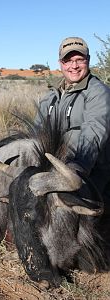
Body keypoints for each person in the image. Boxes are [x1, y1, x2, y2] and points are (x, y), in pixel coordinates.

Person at [35, 36, 110, 209]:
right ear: (60, 63)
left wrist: (76, 169)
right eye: (68, 60)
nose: (73, 66)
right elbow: (35, 136)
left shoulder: (99, 94)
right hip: (51, 174)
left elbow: (94, 134)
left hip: (89, 178)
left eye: (79, 60)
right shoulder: (49, 98)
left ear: (88, 60)